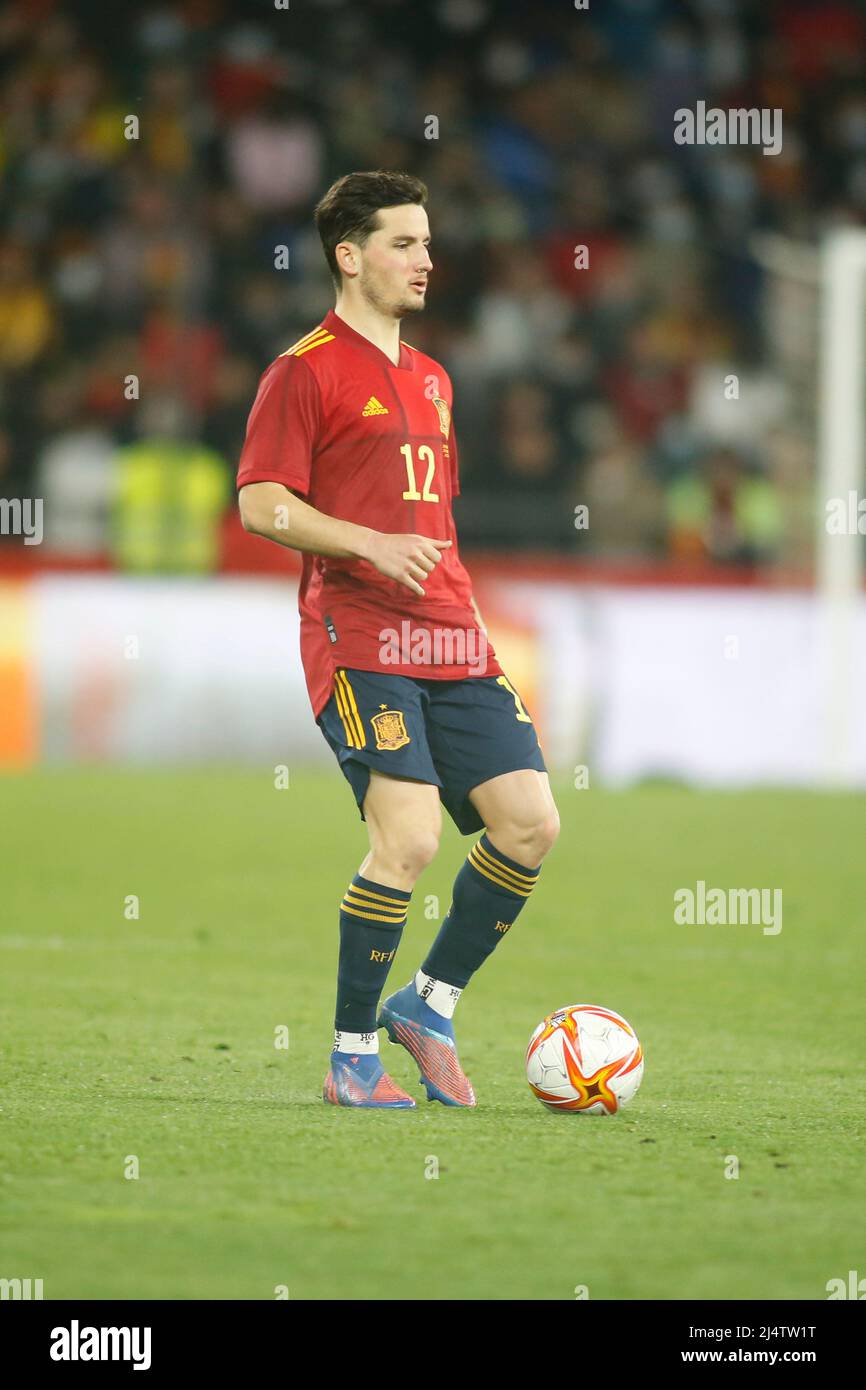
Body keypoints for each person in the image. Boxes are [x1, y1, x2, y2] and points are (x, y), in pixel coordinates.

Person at [237, 170, 560, 1109]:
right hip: (359, 633)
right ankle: (350, 1056)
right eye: (405, 243)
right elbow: (262, 504)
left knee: (532, 822)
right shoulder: (303, 370)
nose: (427, 259)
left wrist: (450, 595)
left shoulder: (434, 378)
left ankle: (426, 1004)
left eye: (427, 242)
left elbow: (430, 520)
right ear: (351, 256)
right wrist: (370, 543)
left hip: (452, 635)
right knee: (411, 840)